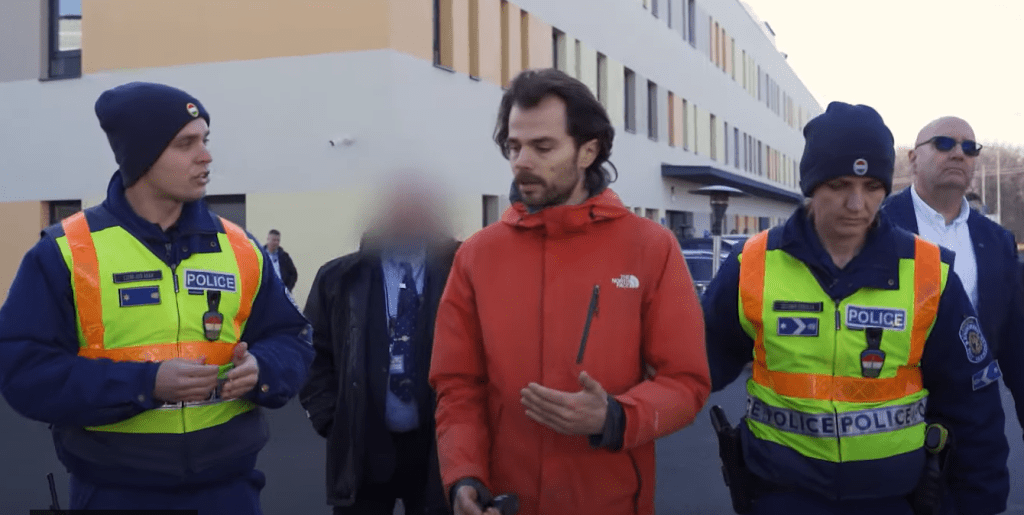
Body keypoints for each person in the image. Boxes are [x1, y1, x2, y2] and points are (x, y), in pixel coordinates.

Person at [0, 82, 314, 513]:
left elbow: (292, 336)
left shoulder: (241, 247)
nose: (205, 156)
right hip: (114, 493)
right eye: (186, 144)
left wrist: (264, 368)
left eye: (205, 140)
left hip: (230, 491)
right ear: (142, 157)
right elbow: (24, 369)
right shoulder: (65, 252)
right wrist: (145, 385)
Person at [702, 102, 1009, 515]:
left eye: (872, 187)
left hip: (894, 499)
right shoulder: (753, 264)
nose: (856, 204)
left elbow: (973, 405)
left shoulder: (928, 272)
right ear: (811, 185)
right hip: (780, 495)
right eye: (839, 184)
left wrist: (979, 503)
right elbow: (694, 365)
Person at [429, 68, 711, 515]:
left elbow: (687, 382)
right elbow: (458, 385)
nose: (522, 161)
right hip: (507, 500)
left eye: (543, 147)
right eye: (514, 147)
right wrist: (464, 476)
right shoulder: (477, 256)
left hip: (609, 501)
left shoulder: (650, 248)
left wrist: (616, 416)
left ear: (588, 151)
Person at [300, 177, 458, 515]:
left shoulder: (460, 272)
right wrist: (331, 419)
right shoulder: (339, 279)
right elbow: (312, 352)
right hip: (364, 450)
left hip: (438, 449)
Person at [880, 117, 1024, 436]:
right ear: (913, 159)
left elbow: (1016, 344)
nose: (959, 154)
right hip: (890, 423)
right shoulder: (876, 226)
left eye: (970, 148)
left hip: (975, 427)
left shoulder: (997, 241)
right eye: (944, 144)